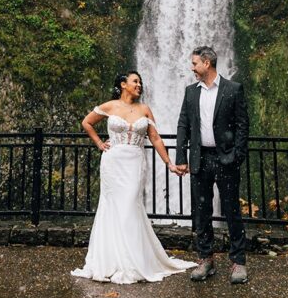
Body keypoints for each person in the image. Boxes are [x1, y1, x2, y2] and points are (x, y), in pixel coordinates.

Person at [71, 71, 196, 284]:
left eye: (140, 82)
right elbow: (87, 122)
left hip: (135, 162)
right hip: (113, 162)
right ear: (123, 84)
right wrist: (99, 143)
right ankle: (114, 260)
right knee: (113, 207)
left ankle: (132, 260)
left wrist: (169, 164)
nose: (139, 85)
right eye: (135, 81)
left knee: (129, 205)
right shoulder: (110, 106)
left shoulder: (144, 109)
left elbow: (155, 139)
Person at [175, 47, 249, 284]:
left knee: (231, 211)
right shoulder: (190, 92)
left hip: (225, 158)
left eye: (195, 63)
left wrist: (237, 155)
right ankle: (205, 259)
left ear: (207, 63)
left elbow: (242, 126)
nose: (192, 68)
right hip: (200, 159)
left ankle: (238, 262)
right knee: (201, 212)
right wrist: (181, 157)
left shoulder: (233, 89)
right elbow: (183, 126)